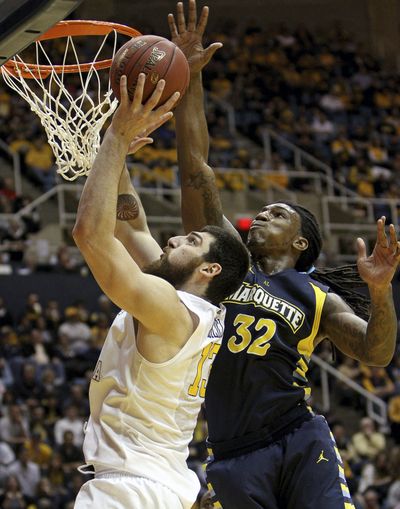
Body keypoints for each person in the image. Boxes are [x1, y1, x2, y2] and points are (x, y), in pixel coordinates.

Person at [168, 1, 400, 507]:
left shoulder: (315, 294)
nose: (263, 214)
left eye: (277, 213)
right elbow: (196, 170)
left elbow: (377, 354)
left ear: (300, 242)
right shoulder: (225, 265)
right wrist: (189, 81)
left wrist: (379, 292)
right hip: (230, 450)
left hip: (298, 436)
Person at [71, 75, 249, 509]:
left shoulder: (170, 308)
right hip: (159, 485)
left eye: (191, 242)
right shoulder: (190, 307)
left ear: (209, 269)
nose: (173, 240)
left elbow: (91, 236)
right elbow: (132, 225)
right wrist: (119, 147)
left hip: (132, 488)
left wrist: (116, 135)